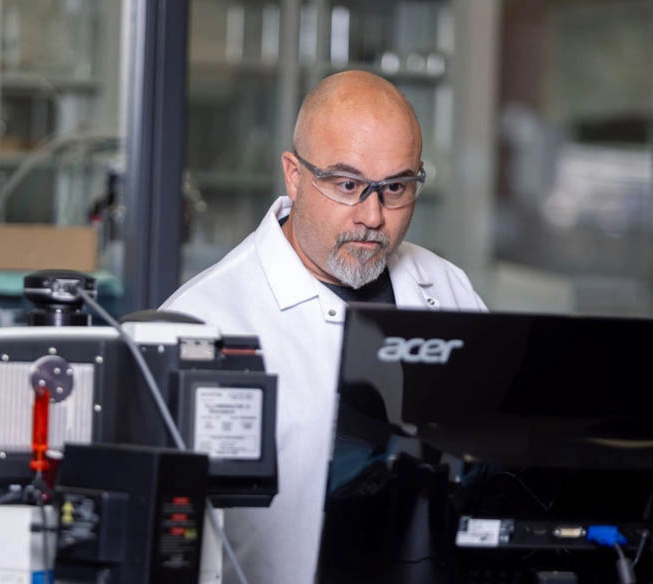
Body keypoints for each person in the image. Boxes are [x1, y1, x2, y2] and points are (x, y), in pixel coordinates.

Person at [161, 70, 487, 583]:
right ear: (294, 175)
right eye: (348, 184)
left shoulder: (445, 288)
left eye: (395, 187)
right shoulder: (203, 319)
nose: (373, 216)